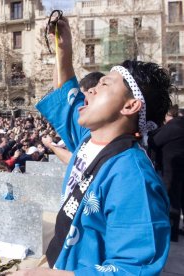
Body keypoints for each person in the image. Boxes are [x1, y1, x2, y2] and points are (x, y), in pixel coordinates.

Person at [14, 17, 171, 275]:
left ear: (130, 106)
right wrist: (63, 50)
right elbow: (68, 97)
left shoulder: (133, 177)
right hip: (61, 260)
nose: (90, 91)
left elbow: (133, 268)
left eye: (104, 85)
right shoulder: (90, 138)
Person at [148, 105, 184, 241]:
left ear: (170, 115)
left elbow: (154, 142)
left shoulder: (173, 126)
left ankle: (171, 233)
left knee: (171, 200)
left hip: (171, 169)